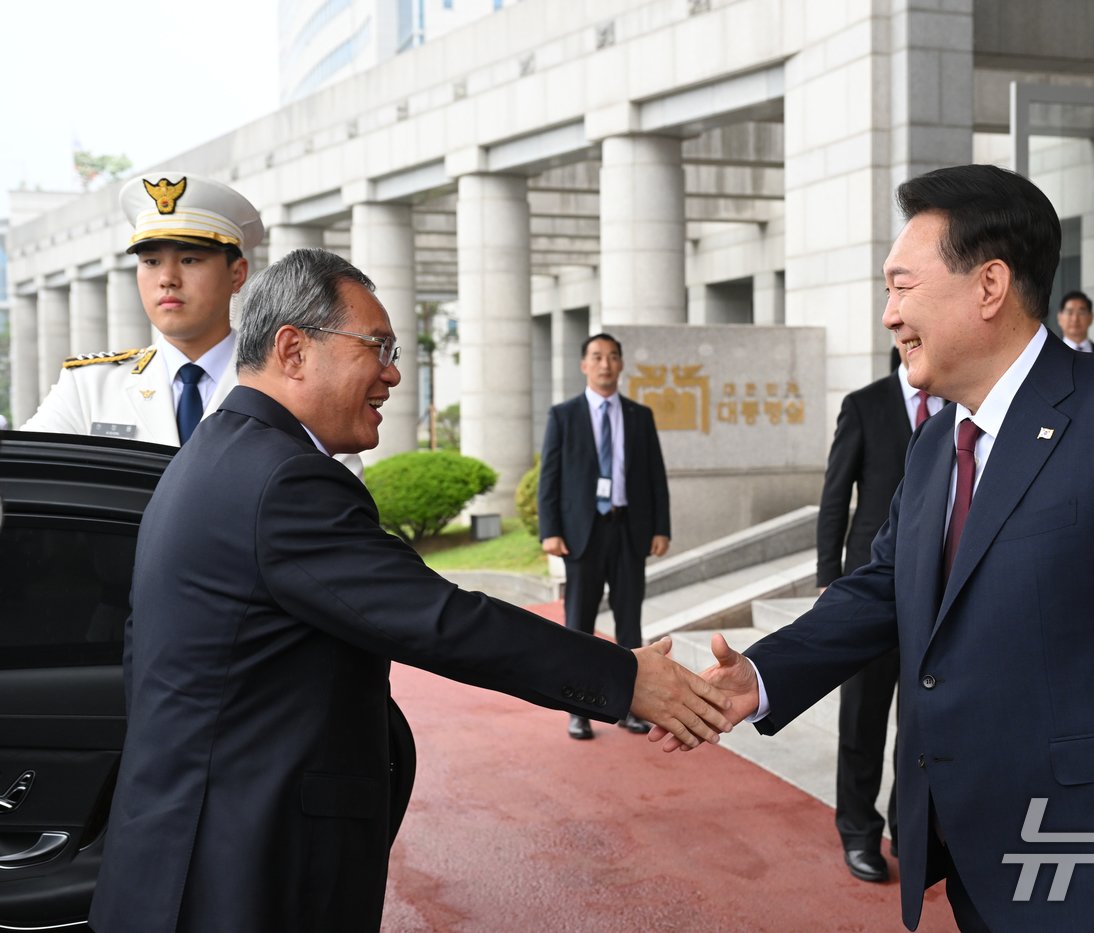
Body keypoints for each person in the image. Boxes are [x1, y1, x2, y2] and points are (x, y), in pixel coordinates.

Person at [661, 165, 1094, 933]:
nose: (889, 315)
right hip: (973, 843)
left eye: (902, 287)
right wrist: (761, 677)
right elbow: (884, 585)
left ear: (989, 286)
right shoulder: (942, 437)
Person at [87, 249, 730, 933]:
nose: (393, 372)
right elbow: (442, 619)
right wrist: (626, 676)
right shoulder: (284, 481)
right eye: (378, 347)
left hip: (179, 860)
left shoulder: (210, 457)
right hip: (239, 876)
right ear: (293, 349)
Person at [816, 341, 939, 883]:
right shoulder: (864, 404)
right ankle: (858, 832)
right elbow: (835, 495)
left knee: (918, 726)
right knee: (862, 720)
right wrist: (828, 579)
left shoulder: (958, 405)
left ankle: (906, 831)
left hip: (936, 594)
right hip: (870, 590)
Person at [23, 171, 257, 445]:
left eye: (190, 260)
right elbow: (25, 472)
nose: (167, 279)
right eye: (151, 262)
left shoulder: (282, 383)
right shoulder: (90, 386)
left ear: (237, 274)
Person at [538, 333, 671, 740]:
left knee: (630, 625)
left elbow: (654, 477)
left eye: (613, 357)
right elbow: (551, 478)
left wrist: (661, 527)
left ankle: (633, 706)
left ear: (621, 364)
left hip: (629, 530)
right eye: (597, 357)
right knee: (579, 625)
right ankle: (577, 708)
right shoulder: (564, 415)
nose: (605, 364)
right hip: (583, 535)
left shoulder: (639, 415)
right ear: (584, 365)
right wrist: (551, 531)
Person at [1056, 289, 1094, 356]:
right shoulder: (1050, 355)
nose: (1075, 319)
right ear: (1060, 318)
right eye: (1070, 312)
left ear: (1091, 317)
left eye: (1081, 313)